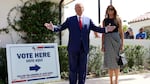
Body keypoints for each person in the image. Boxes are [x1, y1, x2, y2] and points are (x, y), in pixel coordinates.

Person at [44, 3, 116, 84]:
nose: (79, 9)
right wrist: (53, 28)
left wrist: (106, 29)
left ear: (83, 9)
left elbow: (96, 28)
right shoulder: (70, 20)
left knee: (83, 70)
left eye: (80, 8)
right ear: (75, 9)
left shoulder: (88, 20)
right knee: (73, 70)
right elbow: (61, 27)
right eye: (77, 8)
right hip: (73, 49)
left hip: (84, 49)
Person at [101, 5, 124, 84]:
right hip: (107, 41)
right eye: (109, 10)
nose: (110, 11)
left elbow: (121, 32)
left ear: (114, 10)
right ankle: (111, 81)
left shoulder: (118, 19)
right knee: (110, 62)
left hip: (116, 40)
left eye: (112, 9)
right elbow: (103, 33)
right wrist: (102, 45)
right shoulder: (105, 21)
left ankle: (116, 81)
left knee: (117, 62)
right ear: (107, 11)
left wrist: (122, 44)